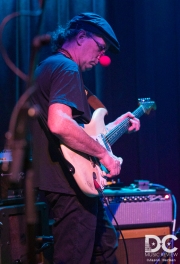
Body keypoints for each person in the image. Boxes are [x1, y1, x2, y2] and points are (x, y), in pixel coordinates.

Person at [31, 12, 140, 264]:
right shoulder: (67, 67)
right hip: (69, 185)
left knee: (104, 247)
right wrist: (104, 155)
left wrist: (115, 126)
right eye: (100, 48)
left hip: (62, 181)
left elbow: (81, 132)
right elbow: (59, 124)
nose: (101, 56)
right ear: (81, 37)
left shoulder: (48, 66)